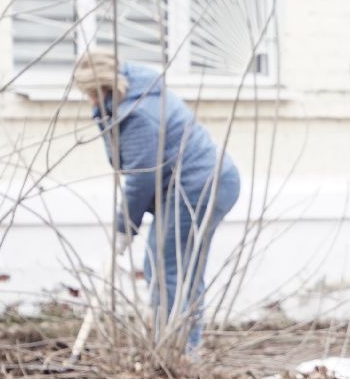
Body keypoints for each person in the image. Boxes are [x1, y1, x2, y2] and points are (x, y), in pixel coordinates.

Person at [73, 50, 240, 355]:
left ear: (103, 88)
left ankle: (177, 352)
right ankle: (184, 347)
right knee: (181, 267)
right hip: (212, 180)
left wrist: (125, 228)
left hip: (198, 186)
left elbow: (141, 179)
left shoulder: (138, 114)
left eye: (90, 94)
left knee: (166, 266)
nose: (89, 101)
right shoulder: (136, 92)